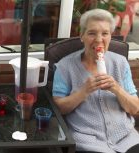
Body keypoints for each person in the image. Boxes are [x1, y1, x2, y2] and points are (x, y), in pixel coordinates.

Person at [52, 9, 139, 153]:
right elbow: (58, 108)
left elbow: (135, 108)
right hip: (88, 142)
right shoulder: (64, 66)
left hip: (127, 140)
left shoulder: (121, 63)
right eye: (92, 33)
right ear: (82, 36)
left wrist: (116, 89)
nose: (99, 39)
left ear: (110, 36)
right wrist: (84, 91)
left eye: (105, 33)